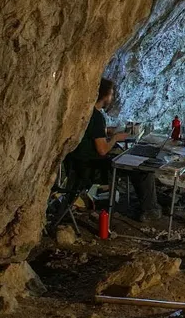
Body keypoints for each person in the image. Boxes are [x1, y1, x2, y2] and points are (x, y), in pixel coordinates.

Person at [64, 78, 159, 221]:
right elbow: (102, 150)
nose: (112, 97)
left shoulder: (86, 112)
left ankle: (145, 205)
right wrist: (115, 138)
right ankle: (150, 210)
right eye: (111, 94)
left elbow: (92, 133)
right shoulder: (97, 117)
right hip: (93, 167)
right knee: (143, 169)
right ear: (105, 95)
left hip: (77, 163)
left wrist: (106, 131)